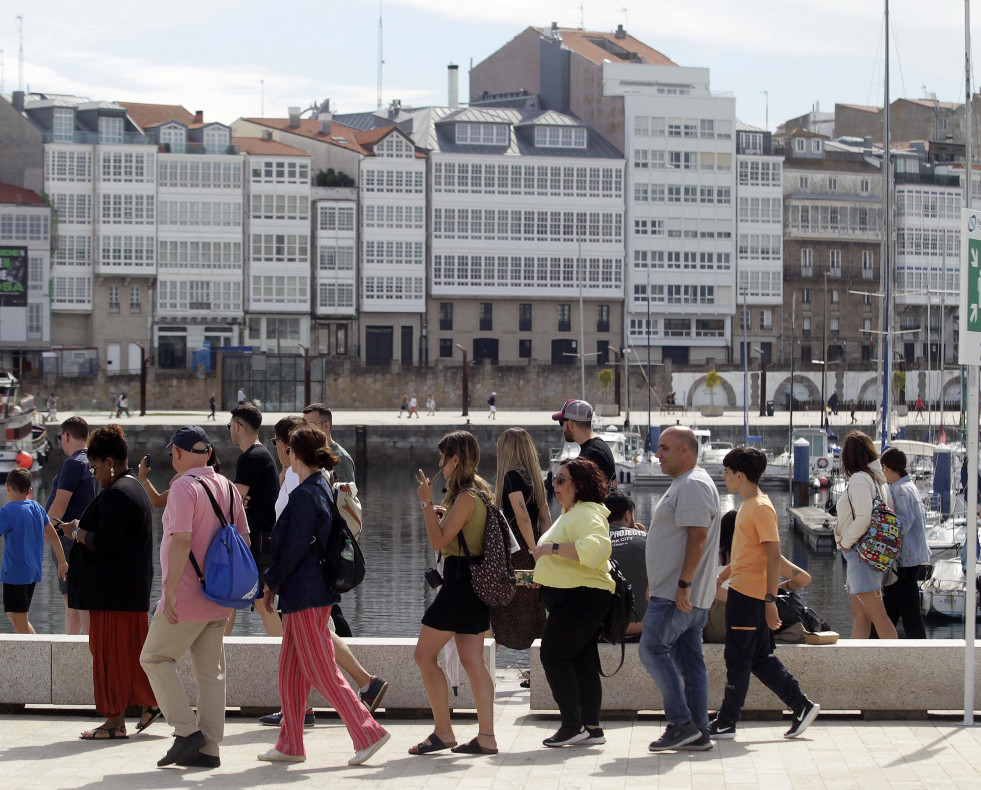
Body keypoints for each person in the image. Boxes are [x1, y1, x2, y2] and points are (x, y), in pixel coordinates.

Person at [257, 425, 390, 765]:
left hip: (306, 594)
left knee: (322, 671)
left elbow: (294, 549)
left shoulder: (305, 495)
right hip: (310, 591)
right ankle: (290, 745)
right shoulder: (319, 487)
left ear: (293, 455)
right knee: (290, 670)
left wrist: (269, 582)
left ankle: (368, 732)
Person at [140, 426, 250, 769]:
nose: (172, 456)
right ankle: (209, 749)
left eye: (174, 450)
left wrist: (169, 591)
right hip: (219, 595)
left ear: (184, 453)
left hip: (186, 594)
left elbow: (182, 540)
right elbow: (243, 538)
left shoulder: (184, 487)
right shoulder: (228, 487)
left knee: (154, 658)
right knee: (210, 673)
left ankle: (187, 733)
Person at [708, 447, 819, 741]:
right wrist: (724, 574)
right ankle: (801, 706)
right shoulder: (749, 505)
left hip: (749, 597)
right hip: (745, 591)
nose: (724, 476)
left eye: (727, 472)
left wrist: (770, 601)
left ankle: (726, 721)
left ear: (740, 475)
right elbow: (749, 556)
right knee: (758, 658)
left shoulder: (759, 507)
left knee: (738, 658)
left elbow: (772, 557)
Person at [63, 424, 159, 741]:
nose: (94, 475)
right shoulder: (133, 488)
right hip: (128, 592)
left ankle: (115, 721)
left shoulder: (118, 493)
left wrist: (76, 532)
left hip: (113, 595)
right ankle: (149, 702)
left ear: (109, 462)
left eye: (95, 468)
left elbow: (105, 542)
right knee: (129, 654)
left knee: (109, 656)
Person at [411, 431, 498, 756]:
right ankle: (486, 736)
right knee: (473, 661)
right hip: (472, 584)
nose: (439, 464)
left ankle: (444, 731)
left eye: (442, 457)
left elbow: (438, 541)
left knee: (424, 655)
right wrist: (439, 514)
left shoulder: (465, 497)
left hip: (460, 585)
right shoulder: (478, 494)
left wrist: (424, 504)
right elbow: (454, 535)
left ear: (455, 459)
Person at [641, 426, 721, 752]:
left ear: (685, 451)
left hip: (679, 595)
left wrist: (683, 585)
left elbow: (697, 537)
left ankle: (681, 723)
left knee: (651, 650)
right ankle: (698, 730)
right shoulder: (686, 483)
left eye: (664, 448)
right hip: (677, 591)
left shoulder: (692, 484)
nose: (657, 454)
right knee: (690, 663)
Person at [531, 457, 614, 747]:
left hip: (580, 597)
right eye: (553, 479)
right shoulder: (573, 512)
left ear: (580, 485)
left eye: (561, 480)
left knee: (552, 655)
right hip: (575, 596)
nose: (554, 484)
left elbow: (596, 550)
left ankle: (572, 724)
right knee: (582, 660)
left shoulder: (587, 513)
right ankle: (591, 728)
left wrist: (551, 548)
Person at [832, 431, 898, 640]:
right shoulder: (878, 480)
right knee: (860, 614)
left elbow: (863, 517)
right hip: (868, 552)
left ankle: (896, 666)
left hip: (860, 552)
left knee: (877, 614)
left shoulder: (860, 479)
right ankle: (855, 663)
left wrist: (845, 541)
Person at [490, 427, 550, 651]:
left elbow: (522, 516)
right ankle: (541, 670)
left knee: (500, 606)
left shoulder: (511, 477)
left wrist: (533, 551)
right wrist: (543, 551)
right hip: (535, 544)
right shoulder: (535, 478)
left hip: (517, 549)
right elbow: (544, 519)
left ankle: (486, 671)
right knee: (534, 604)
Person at [227, 404, 282, 636]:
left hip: (259, 540)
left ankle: (282, 653)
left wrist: (235, 499)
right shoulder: (261, 454)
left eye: (229, 425)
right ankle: (219, 649)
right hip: (264, 539)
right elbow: (238, 499)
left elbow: (233, 501)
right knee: (239, 600)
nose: (229, 429)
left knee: (260, 602)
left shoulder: (250, 458)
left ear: (238, 426)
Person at [45, 416, 99, 635]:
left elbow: (60, 504)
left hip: (67, 540)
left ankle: (78, 651)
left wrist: (45, 531)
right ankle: (83, 649)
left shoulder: (73, 464)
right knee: (80, 602)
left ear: (67, 436)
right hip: (84, 537)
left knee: (73, 603)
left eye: (61, 437)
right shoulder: (91, 463)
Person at [2, 468, 66, 635]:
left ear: (7, 487)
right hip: (32, 572)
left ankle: (31, 656)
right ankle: (36, 646)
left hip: (15, 573)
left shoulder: (8, 512)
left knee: (19, 619)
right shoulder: (37, 508)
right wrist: (62, 561)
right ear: (30, 490)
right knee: (15, 616)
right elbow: (53, 535)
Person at [880, 447, 930, 638]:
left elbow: (902, 524)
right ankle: (879, 643)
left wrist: (882, 530)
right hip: (910, 557)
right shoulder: (910, 487)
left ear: (886, 467)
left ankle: (918, 649)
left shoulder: (900, 490)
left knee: (909, 611)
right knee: (893, 605)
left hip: (904, 560)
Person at [605, 490, 647, 638]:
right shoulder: (645, 539)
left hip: (600, 628)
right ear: (628, 515)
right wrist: (644, 536)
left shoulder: (588, 541)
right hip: (641, 626)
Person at [552, 398, 616, 484]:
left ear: (570, 424)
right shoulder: (599, 446)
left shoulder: (591, 454)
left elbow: (591, 495)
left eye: (561, 423)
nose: (562, 428)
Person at [303, 404, 355, 484]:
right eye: (304, 425)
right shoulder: (307, 453)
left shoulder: (341, 458)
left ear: (326, 425)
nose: (306, 430)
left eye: (312, 425)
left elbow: (346, 494)